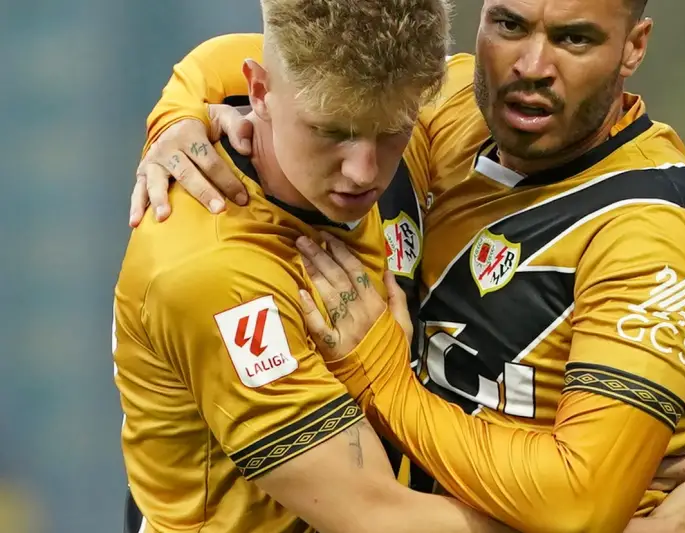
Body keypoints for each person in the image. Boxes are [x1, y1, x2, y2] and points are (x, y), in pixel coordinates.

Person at [129, 0, 685, 532]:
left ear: (634, 45)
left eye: (574, 38)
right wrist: (178, 112)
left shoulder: (655, 234)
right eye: (509, 24)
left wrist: (385, 377)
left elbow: (579, 508)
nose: (531, 66)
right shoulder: (447, 112)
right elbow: (281, 56)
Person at [113, 1, 522, 532]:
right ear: (260, 92)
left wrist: (178, 108)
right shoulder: (215, 274)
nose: (364, 172)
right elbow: (376, 516)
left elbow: (217, 59)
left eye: (393, 130)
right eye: (333, 131)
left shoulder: (334, 91)